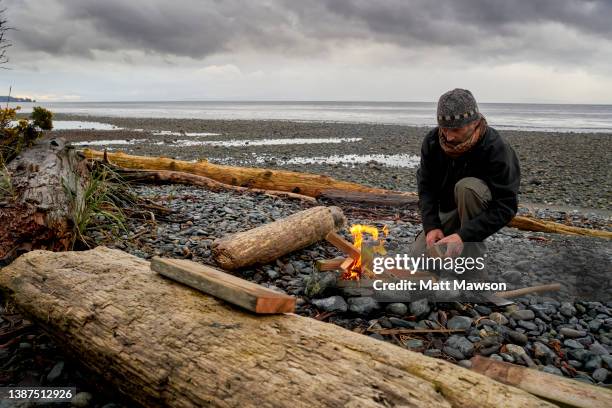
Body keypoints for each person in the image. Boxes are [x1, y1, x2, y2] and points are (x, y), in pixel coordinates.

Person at [412, 88, 520, 262]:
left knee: (467, 188)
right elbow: (426, 188)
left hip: (477, 212)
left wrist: (464, 235)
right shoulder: (432, 142)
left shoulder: (496, 148)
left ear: (474, 122)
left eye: (456, 130)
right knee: (419, 256)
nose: (449, 137)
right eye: (444, 129)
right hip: (447, 211)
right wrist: (432, 226)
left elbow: (506, 206)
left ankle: (471, 264)